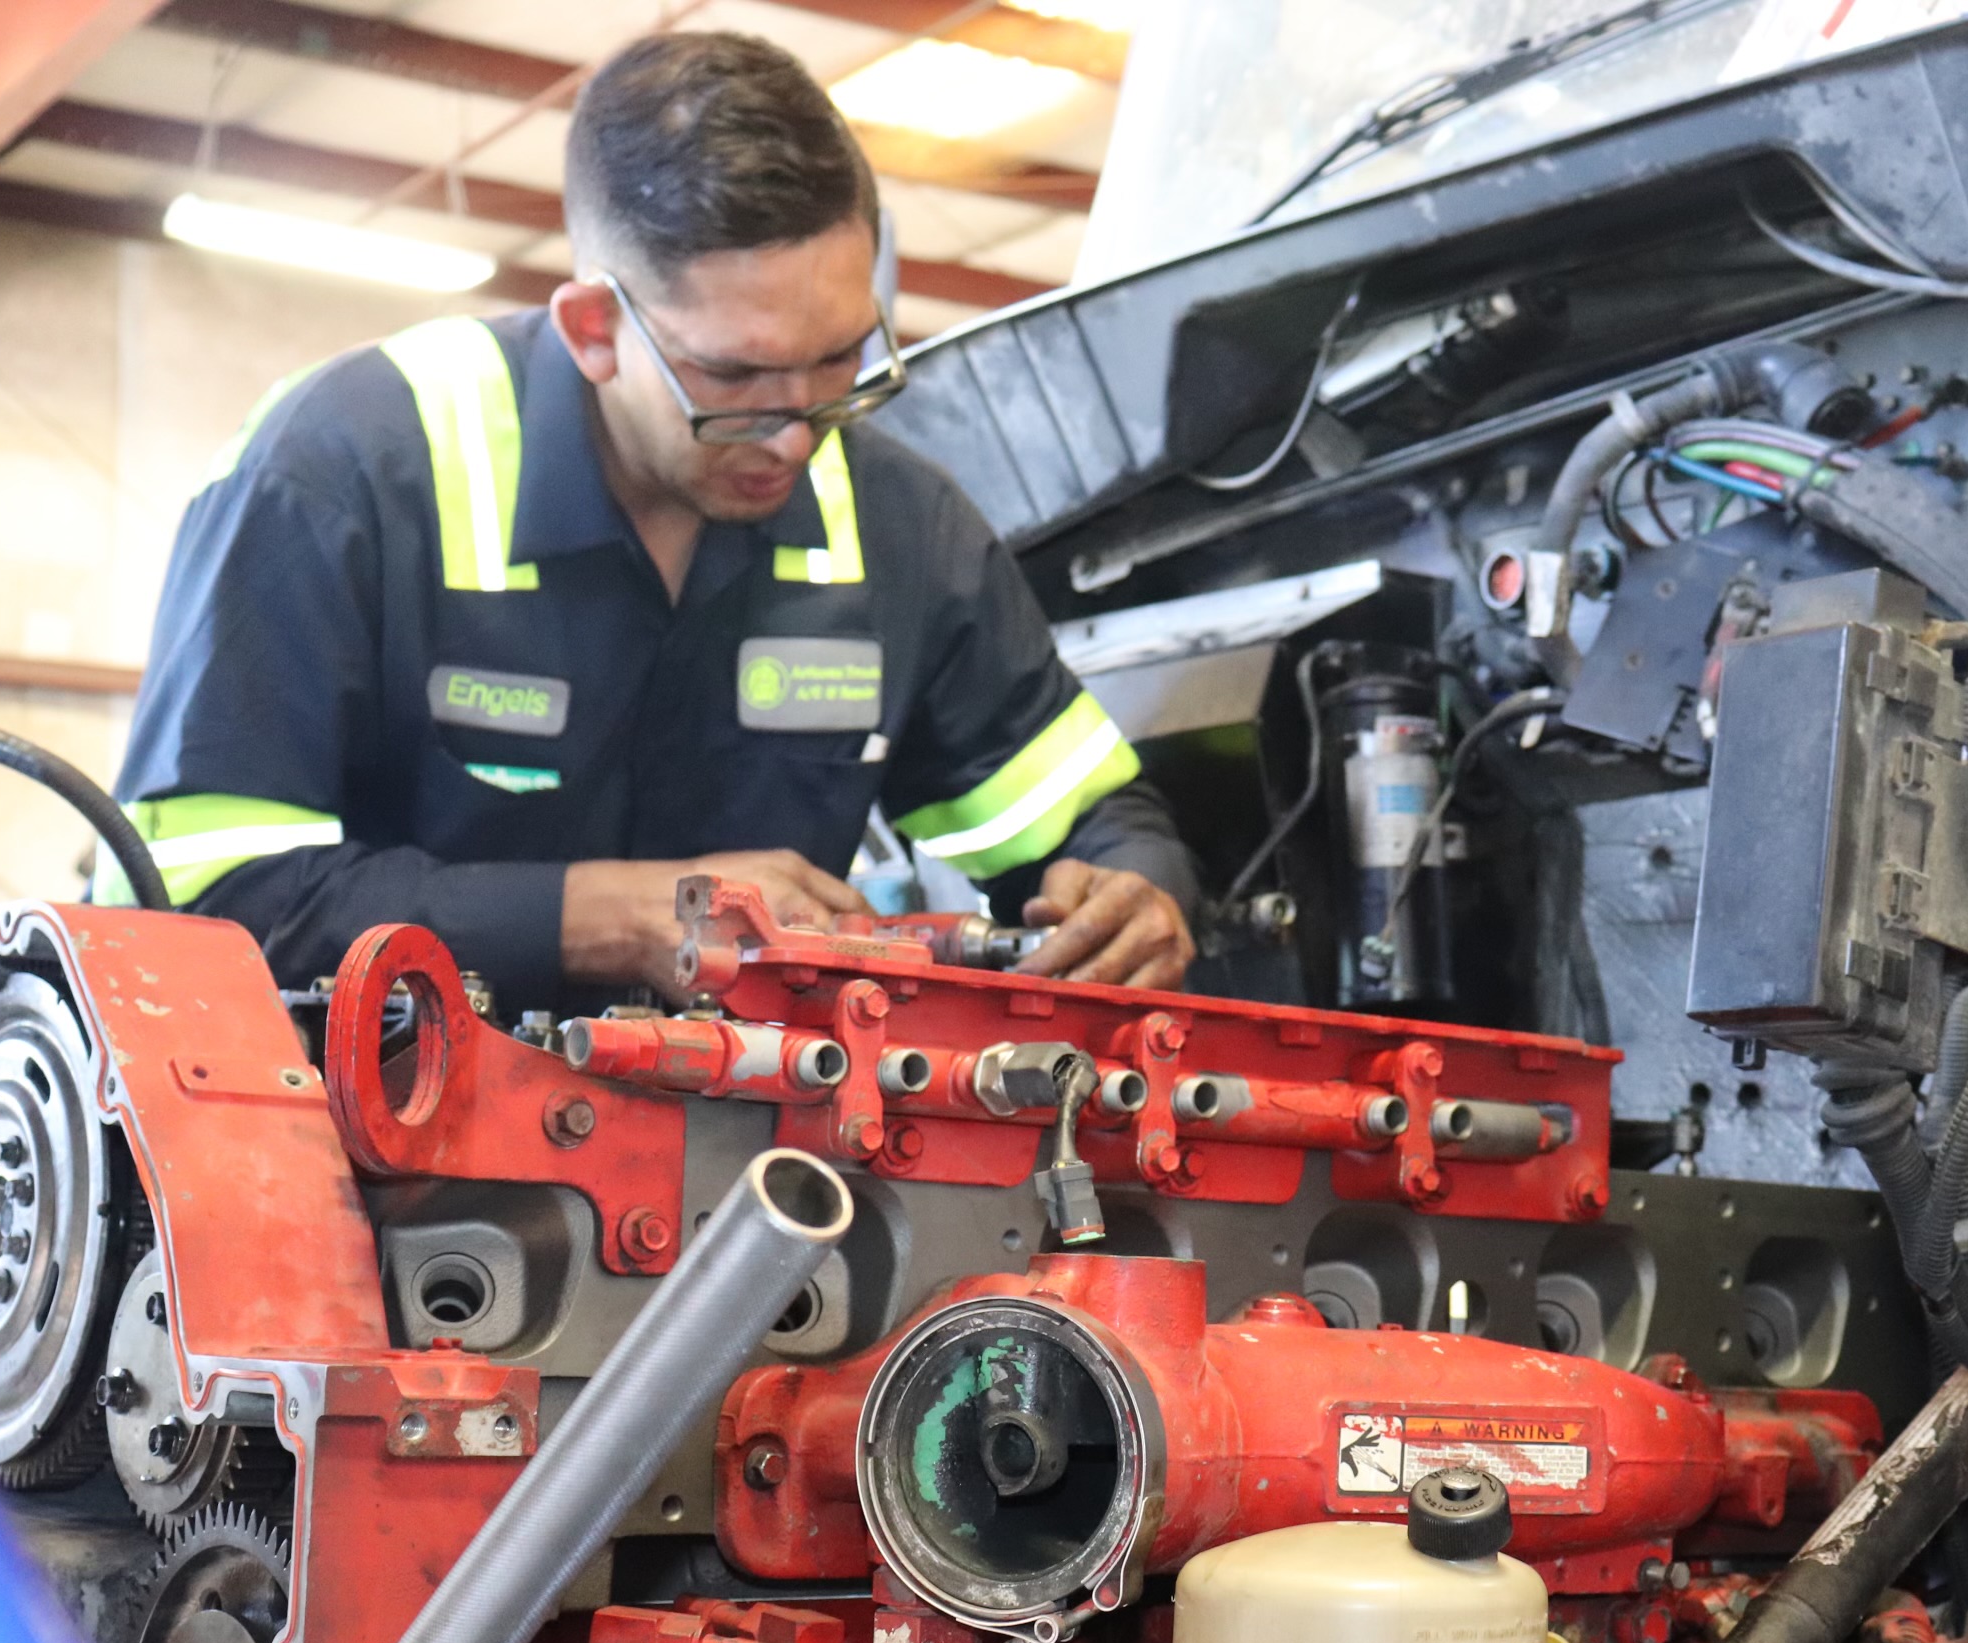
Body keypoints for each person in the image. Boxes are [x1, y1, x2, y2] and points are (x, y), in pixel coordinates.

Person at [110, 31, 1198, 1008]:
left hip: (757, 1151)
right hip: (360, 1133)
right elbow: (197, 902)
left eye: (841, 360)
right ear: (594, 329)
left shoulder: (903, 528)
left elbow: (1093, 822)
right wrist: (612, 916)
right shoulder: (342, 473)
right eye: (735, 377)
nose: (796, 439)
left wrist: (1133, 892)